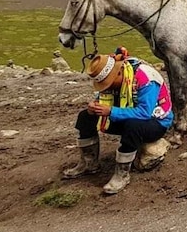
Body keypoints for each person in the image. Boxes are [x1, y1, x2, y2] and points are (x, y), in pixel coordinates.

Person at [62, 47, 173, 194]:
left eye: (108, 83)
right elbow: (103, 99)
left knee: (133, 126)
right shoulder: (114, 78)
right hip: (125, 114)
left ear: (119, 73)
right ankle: (89, 163)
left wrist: (111, 111)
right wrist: (94, 107)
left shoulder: (146, 78)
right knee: (85, 116)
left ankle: (122, 174)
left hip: (156, 122)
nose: (107, 88)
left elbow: (145, 113)